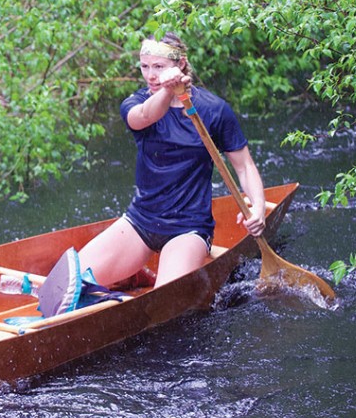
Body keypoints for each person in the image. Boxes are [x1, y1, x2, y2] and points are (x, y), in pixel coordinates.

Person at [76, 33, 266, 289]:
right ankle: (133, 274)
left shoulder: (214, 110)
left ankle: (140, 276)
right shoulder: (137, 102)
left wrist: (258, 207)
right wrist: (168, 90)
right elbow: (146, 115)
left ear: (181, 64)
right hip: (140, 221)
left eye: (159, 67)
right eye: (145, 66)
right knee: (73, 282)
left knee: (163, 300)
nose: (150, 75)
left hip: (188, 229)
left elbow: (245, 166)